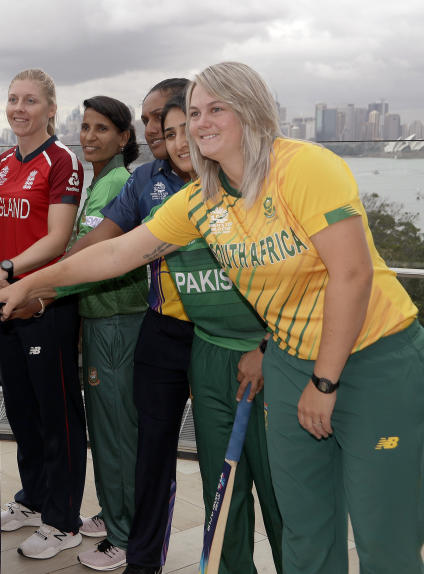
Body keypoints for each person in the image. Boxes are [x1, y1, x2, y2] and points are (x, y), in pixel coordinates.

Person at [0, 61, 424, 574]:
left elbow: (352, 276)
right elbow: (117, 254)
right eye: (193, 112)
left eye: (216, 109)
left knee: (383, 531)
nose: (201, 123)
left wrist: (324, 382)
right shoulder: (200, 201)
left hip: (372, 355)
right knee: (307, 527)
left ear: (252, 111)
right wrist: (24, 283)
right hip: (295, 359)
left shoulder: (303, 166)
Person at [0, 68, 85, 559]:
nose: (19, 108)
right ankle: (33, 499)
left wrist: (6, 269)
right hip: (5, 301)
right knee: (24, 413)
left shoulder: (63, 161)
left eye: (30, 100)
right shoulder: (5, 159)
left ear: (51, 109)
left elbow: (57, 239)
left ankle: (63, 519)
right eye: (12, 99)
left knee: (59, 416)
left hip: (45, 301)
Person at [155, 95, 283, 574]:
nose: (181, 140)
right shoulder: (180, 208)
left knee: (282, 494)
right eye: (170, 133)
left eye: (188, 127)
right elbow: (114, 252)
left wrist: (266, 346)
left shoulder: (258, 193)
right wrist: (29, 283)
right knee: (221, 493)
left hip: (269, 356)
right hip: (208, 354)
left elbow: (310, 277)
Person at [45, 96, 148, 570]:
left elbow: (92, 259)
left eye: (102, 128)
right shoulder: (102, 180)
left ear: (125, 138)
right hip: (100, 319)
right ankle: (113, 514)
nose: (88, 136)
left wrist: (38, 291)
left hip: (118, 323)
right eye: (84, 127)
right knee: (108, 429)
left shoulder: (119, 184)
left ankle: (125, 536)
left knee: (115, 432)